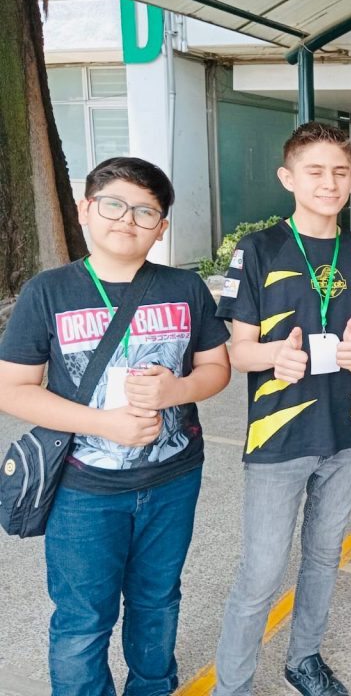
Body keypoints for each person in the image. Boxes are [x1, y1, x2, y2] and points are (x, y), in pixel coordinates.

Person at [0, 157, 231, 696]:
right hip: (82, 489)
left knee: (158, 600)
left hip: (173, 480)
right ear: (85, 210)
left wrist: (176, 391)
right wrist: (103, 424)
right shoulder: (48, 292)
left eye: (145, 211)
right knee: (83, 619)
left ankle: (153, 687)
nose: (127, 219)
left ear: (161, 227)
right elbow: (13, 388)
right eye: (113, 204)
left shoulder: (185, 286)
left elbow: (216, 368)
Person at [213, 122, 351, 696]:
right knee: (261, 574)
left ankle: (304, 660)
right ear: (287, 178)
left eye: (340, 171)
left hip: (348, 429)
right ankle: (232, 687)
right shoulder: (259, 249)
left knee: (323, 557)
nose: (329, 183)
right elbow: (238, 352)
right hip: (279, 435)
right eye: (315, 171)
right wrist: (275, 356)